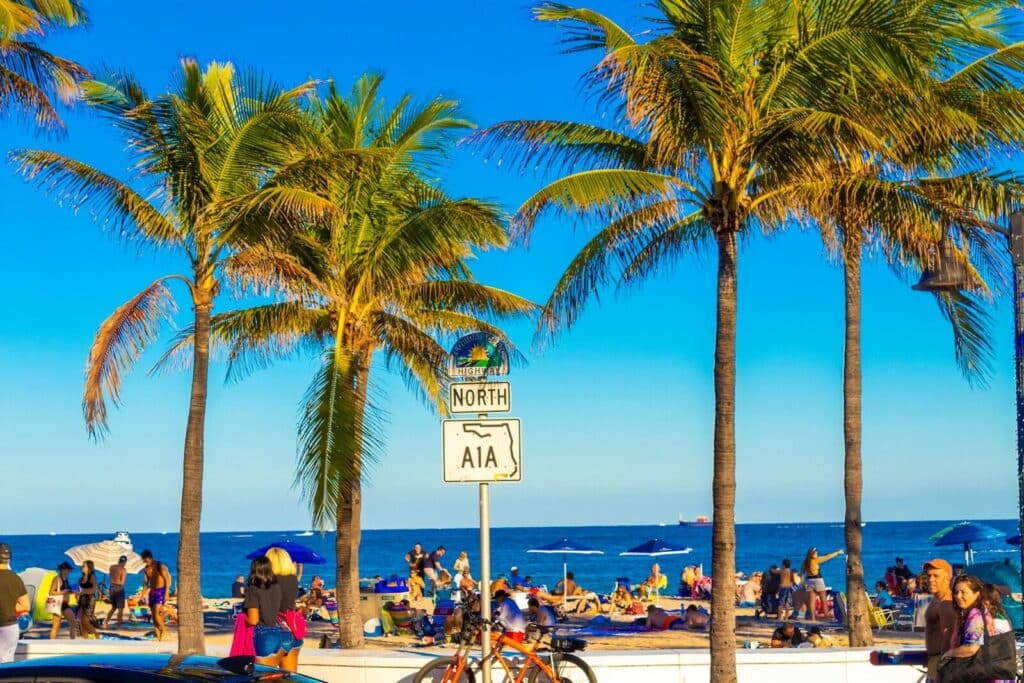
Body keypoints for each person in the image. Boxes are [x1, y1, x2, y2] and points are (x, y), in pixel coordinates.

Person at [940, 574, 1013, 683]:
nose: (958, 596)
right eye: (956, 592)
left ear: (977, 593)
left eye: (963, 592)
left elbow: (971, 648)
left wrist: (948, 654)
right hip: (994, 675)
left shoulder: (975, 615)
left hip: (984, 677)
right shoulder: (983, 613)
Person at [244, 556, 292, 668]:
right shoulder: (276, 586)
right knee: (272, 675)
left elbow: (253, 620)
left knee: (261, 676)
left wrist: (242, 618)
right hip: (278, 633)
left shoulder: (253, 588)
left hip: (263, 634)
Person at [265, 547, 303, 672]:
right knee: (289, 677)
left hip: (272, 631)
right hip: (293, 630)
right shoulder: (293, 580)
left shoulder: (266, 582)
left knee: (262, 676)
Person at [923, 557, 956, 683]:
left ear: (948, 578)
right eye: (929, 576)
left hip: (941, 664)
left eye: (936, 576)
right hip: (934, 662)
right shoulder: (937, 599)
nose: (930, 580)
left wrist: (942, 671)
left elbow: (950, 637)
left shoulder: (947, 603)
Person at [0, 543, 28, 663]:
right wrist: (9, 605)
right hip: (10, 628)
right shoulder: (16, 579)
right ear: (9, 558)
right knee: (7, 665)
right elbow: (25, 606)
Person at [801, 547, 843, 621]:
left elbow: (802, 574)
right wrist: (837, 552)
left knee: (812, 602)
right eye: (816, 553)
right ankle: (826, 617)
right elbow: (828, 557)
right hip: (818, 580)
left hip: (809, 581)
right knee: (823, 599)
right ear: (812, 554)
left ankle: (813, 618)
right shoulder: (815, 560)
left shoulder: (805, 562)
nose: (817, 554)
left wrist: (803, 584)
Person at [140, 549, 172, 641]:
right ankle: (158, 636)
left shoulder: (159, 565)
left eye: (146, 561)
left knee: (156, 613)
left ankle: (165, 632)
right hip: (152, 592)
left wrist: (166, 593)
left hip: (161, 591)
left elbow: (167, 579)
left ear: (150, 558)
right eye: (143, 561)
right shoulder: (146, 569)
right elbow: (145, 584)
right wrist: (142, 596)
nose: (145, 563)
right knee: (154, 616)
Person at [49, 561, 77, 640]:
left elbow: (66, 590)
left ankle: (72, 641)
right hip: (58, 604)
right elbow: (51, 592)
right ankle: (51, 644)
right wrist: (62, 592)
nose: (69, 571)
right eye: (68, 570)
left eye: (70, 570)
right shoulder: (57, 579)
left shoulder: (66, 579)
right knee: (56, 626)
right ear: (63, 570)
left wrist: (71, 592)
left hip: (64, 604)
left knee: (73, 622)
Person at [77, 560, 98, 638]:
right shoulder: (81, 579)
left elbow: (94, 589)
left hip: (89, 600)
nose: (82, 567)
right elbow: (79, 590)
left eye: (84, 566)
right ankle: (85, 638)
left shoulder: (92, 577)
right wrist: (77, 594)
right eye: (82, 566)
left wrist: (83, 591)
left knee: (85, 620)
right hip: (81, 600)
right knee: (81, 621)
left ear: (89, 567)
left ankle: (96, 635)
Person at [105, 556, 128, 628]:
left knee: (113, 607)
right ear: (125, 562)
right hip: (119, 589)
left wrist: (113, 581)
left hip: (111, 588)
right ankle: (119, 626)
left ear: (119, 560)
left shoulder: (112, 567)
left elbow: (109, 579)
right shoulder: (123, 570)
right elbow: (122, 583)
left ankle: (106, 622)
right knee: (120, 609)